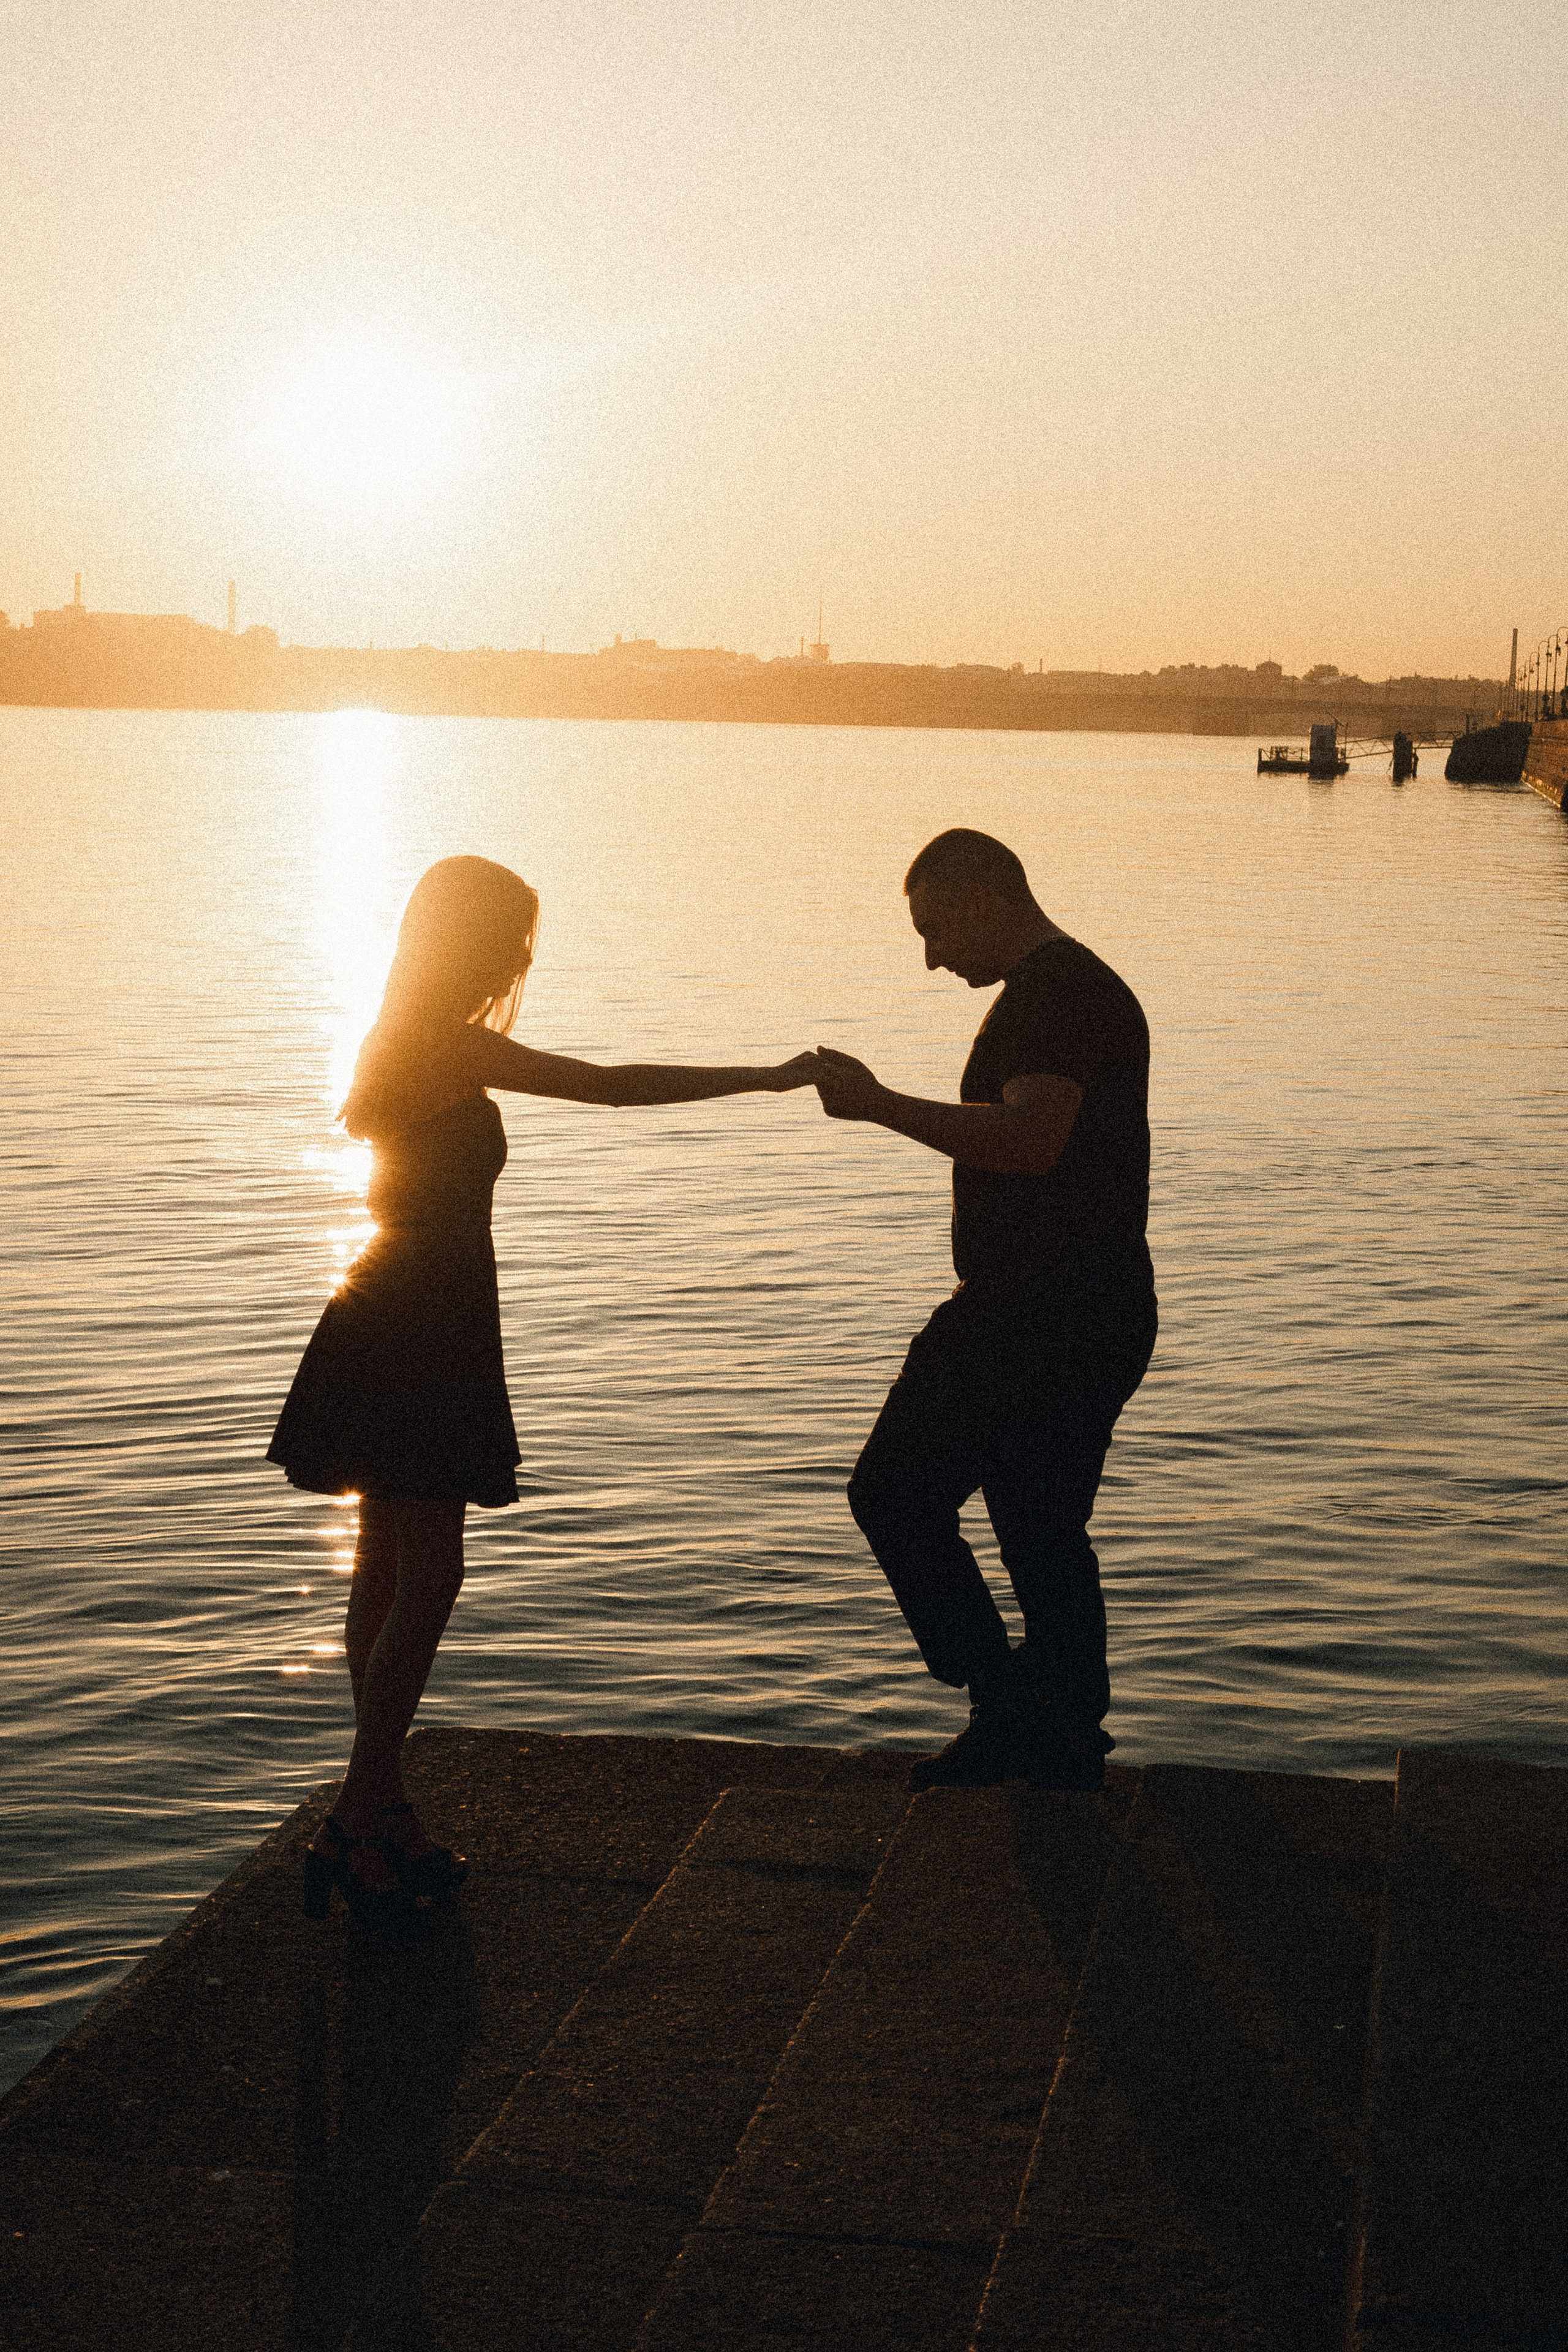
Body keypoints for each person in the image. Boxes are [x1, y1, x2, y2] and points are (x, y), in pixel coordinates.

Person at [270, 854, 816, 1927]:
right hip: (423, 1319)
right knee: (429, 1572)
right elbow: (609, 1085)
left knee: (386, 1566)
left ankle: (380, 1813)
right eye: (508, 939)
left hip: (393, 1305)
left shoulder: (395, 1035)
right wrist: (762, 1076)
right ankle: (356, 1817)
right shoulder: (446, 1041)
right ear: (465, 941)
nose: (518, 959)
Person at [811, 827, 1156, 1793]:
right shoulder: (1074, 986)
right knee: (1040, 1526)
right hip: (1093, 1303)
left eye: (935, 929)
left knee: (894, 1495)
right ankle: (1063, 1734)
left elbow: (1032, 1140)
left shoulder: (1055, 996)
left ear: (980, 900)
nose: (931, 957)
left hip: (1037, 1311)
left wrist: (879, 1104)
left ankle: (1007, 1703)